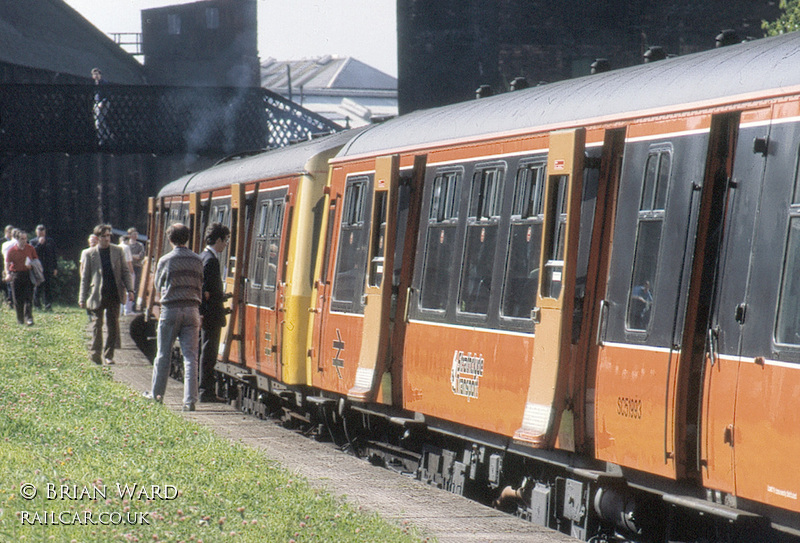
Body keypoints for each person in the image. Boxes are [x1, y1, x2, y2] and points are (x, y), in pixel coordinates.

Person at [144, 223, 203, 412]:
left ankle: (157, 396)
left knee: (163, 354)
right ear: (187, 238)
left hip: (170, 310)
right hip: (193, 309)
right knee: (191, 357)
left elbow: (158, 284)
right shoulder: (197, 260)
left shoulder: (165, 260)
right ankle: (189, 401)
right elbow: (201, 282)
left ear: (170, 239)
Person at [79, 224, 133, 365]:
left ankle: (109, 354)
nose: (107, 238)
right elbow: (85, 277)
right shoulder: (90, 254)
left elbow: (125, 272)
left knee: (113, 325)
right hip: (97, 294)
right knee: (97, 324)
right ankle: (95, 354)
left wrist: (130, 290)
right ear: (98, 238)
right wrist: (82, 297)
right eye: (104, 236)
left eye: (109, 235)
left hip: (114, 293)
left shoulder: (118, 251)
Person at [199, 222, 229, 402]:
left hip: (208, 313)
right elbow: (205, 290)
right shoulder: (211, 260)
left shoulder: (203, 256)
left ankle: (205, 390)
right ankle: (206, 391)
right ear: (218, 239)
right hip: (212, 314)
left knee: (206, 351)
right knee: (209, 353)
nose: (226, 245)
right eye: (225, 241)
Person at [4, 230, 37, 325]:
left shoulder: (30, 248)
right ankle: (20, 319)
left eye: (25, 238)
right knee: (17, 299)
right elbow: (7, 263)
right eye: (22, 239)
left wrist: (32, 265)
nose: (24, 241)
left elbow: (36, 261)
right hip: (16, 275)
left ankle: (29, 318)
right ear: (17, 239)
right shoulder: (12, 250)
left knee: (28, 297)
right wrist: (8, 274)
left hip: (27, 274)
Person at [31, 224, 57, 311]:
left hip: (48, 267)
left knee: (48, 287)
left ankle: (48, 305)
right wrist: (39, 244)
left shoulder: (50, 241)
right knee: (38, 287)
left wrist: (55, 267)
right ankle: (37, 306)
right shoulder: (33, 241)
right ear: (36, 232)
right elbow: (32, 253)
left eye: (42, 231)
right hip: (37, 268)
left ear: (45, 232)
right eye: (39, 231)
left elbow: (54, 255)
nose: (41, 233)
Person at [91, 67, 111, 145]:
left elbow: (108, 94)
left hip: (104, 103)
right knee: (99, 122)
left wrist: (102, 102)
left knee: (99, 121)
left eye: (97, 74)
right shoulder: (94, 83)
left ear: (100, 75)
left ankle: (102, 138)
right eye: (94, 74)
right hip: (96, 103)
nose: (95, 76)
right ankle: (107, 136)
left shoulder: (104, 83)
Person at [127, 227, 145, 303]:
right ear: (130, 235)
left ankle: (133, 304)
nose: (135, 236)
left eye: (136, 234)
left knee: (136, 285)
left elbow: (140, 256)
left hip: (137, 267)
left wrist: (130, 256)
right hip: (127, 267)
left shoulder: (140, 245)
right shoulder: (126, 245)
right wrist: (134, 256)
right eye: (134, 234)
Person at [119, 234, 134, 315]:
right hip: (126, 271)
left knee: (121, 289)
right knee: (129, 290)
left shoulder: (117, 247)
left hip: (118, 271)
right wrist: (132, 272)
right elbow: (129, 261)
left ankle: (120, 310)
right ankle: (127, 310)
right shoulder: (126, 247)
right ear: (127, 241)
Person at [1, 225, 14, 308]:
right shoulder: (2, 241)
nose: (11, 234)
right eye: (9, 232)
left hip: (10, 266)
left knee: (9, 285)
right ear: (6, 232)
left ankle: (10, 302)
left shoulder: (14, 242)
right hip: (2, 265)